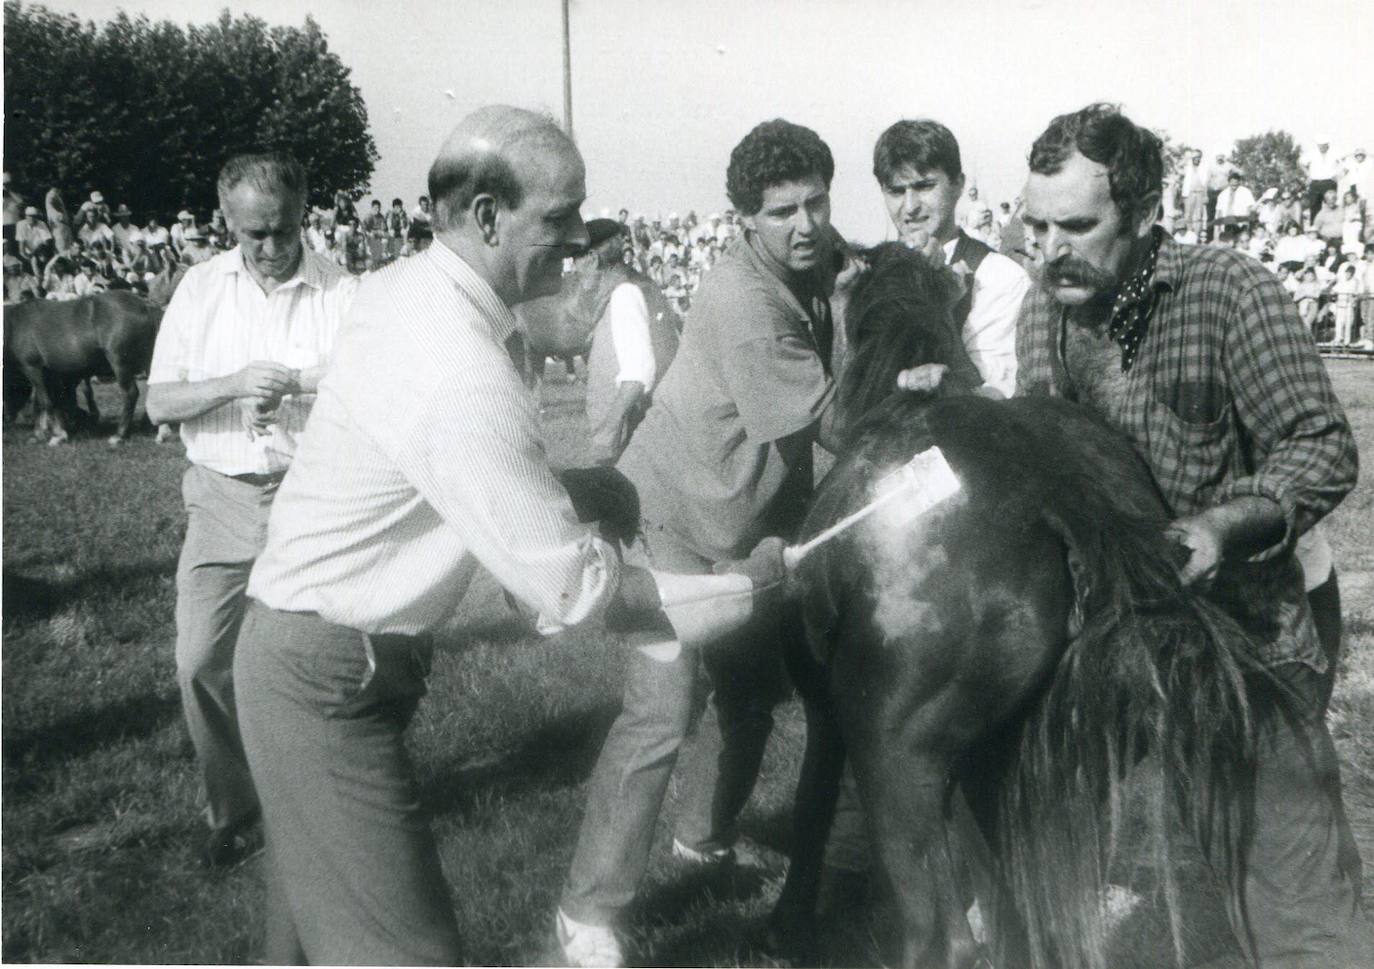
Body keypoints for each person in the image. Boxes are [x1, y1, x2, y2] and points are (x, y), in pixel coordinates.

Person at [232, 105, 783, 966]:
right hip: (325, 685)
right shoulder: (461, 364)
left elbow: (426, 477)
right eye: (559, 218)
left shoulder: (403, 291)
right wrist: (750, 584)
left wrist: (570, 487)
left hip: (301, 657)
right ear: (487, 215)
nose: (577, 240)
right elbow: (581, 592)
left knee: (300, 951)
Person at [1016, 102, 1367, 968]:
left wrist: (1218, 523)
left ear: (1139, 217)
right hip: (1118, 647)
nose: (1048, 247)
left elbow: (1321, 444)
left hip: (1251, 650)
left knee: (1298, 911)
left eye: (1076, 225)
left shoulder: (1226, 290)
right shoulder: (1044, 315)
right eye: (1033, 224)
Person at [557, 118, 853, 967]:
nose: (805, 224)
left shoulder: (816, 264)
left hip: (741, 525)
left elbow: (854, 267)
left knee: (751, 694)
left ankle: (702, 840)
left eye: (817, 203)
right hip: (668, 519)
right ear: (742, 222)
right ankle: (588, 909)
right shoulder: (743, 298)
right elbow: (833, 422)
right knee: (660, 711)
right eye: (780, 210)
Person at [145, 152, 360, 871]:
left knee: (319, 662)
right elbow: (158, 400)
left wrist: (295, 382)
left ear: (306, 212)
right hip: (221, 496)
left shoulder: (342, 290)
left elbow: (371, 383)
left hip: (313, 496)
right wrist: (234, 384)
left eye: (282, 228)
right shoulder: (200, 290)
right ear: (227, 222)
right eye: (253, 233)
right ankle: (236, 808)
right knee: (200, 659)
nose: (269, 247)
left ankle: (324, 804)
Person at [873, 118, 1031, 397]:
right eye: (896, 191)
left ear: (958, 184)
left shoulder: (999, 277)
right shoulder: (872, 273)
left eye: (924, 186)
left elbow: (994, 396)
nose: (910, 207)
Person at [571, 219, 680, 465]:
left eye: (575, 259)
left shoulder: (624, 295)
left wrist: (607, 433)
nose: (574, 269)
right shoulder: (642, 285)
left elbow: (639, 373)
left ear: (592, 258)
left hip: (631, 437)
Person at [1304, 140, 1341, 221]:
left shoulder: (1334, 153)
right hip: (1315, 182)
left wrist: (1339, 176)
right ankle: (1314, 229)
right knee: (1314, 207)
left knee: (1331, 205)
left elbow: (1345, 165)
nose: (1322, 147)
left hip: (1329, 182)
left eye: (1324, 145)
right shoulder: (1312, 153)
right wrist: (1308, 175)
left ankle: (1333, 227)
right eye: (1320, 145)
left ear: (1328, 145)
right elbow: (1300, 163)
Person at [1181, 149, 1210, 238]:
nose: (1197, 159)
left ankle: (1196, 236)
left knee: (1198, 216)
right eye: (1195, 157)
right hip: (1188, 193)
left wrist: (1205, 195)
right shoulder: (1186, 167)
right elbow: (1178, 170)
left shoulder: (1204, 168)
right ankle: (1189, 234)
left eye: (1199, 157)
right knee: (1187, 215)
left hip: (1200, 193)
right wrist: (1188, 159)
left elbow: (1205, 184)